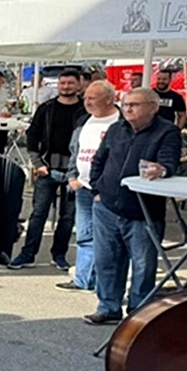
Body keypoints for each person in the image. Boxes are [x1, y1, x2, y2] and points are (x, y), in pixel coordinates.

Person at [83, 88, 182, 325]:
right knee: (107, 261)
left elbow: (170, 162)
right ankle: (108, 307)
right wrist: (97, 189)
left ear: (153, 107)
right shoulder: (117, 128)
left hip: (142, 210)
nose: (127, 109)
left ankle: (138, 315)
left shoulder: (167, 132)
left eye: (134, 105)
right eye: (126, 104)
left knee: (142, 265)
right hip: (107, 206)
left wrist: (162, 169)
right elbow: (99, 159)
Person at [8, 69, 86, 271]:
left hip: (74, 171)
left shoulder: (85, 111)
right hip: (47, 169)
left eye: (70, 83)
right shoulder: (47, 108)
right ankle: (27, 254)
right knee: (38, 213)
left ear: (79, 85)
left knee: (67, 217)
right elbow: (32, 136)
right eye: (62, 83)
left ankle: (58, 255)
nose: (66, 86)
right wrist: (37, 163)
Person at [57, 81, 121, 293]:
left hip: (108, 190)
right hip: (83, 186)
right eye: (86, 98)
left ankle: (103, 283)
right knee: (84, 235)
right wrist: (72, 176)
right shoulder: (84, 121)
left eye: (92, 98)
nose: (87, 102)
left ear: (109, 99)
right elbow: (75, 150)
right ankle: (83, 279)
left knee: (107, 239)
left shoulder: (122, 123)